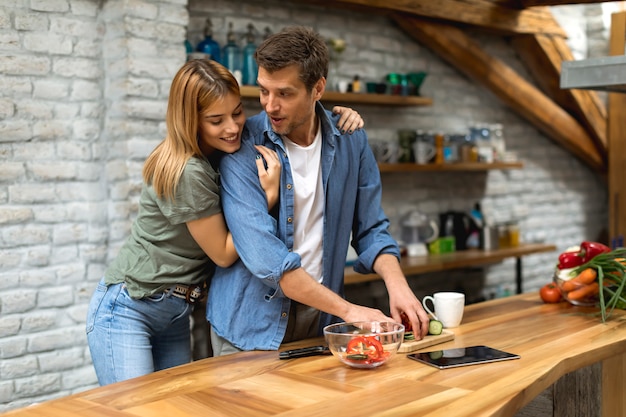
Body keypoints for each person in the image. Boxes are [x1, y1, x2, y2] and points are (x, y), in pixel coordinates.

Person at [86, 59, 363, 385]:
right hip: (130, 308)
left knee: (173, 408)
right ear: (191, 121)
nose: (232, 127)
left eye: (236, 113)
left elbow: (296, 117)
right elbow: (224, 253)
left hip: (176, 312)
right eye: (216, 120)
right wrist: (267, 198)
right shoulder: (188, 170)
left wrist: (337, 116)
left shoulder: (220, 151)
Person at [207, 26, 430, 356]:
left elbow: (371, 230)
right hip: (249, 325)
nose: (269, 105)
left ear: (318, 89)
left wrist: (398, 286)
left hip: (321, 318)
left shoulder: (351, 140)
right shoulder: (243, 146)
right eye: (264, 91)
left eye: (284, 94)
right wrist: (351, 312)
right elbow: (268, 260)